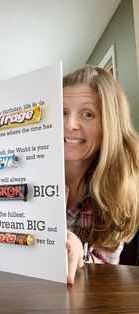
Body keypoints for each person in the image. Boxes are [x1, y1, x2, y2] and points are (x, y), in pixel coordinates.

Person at [63, 65, 139, 284]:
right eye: (63, 112)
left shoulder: (118, 185)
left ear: (108, 125)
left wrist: (79, 255)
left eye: (87, 114)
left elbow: (106, 270)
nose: (70, 125)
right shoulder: (31, 169)